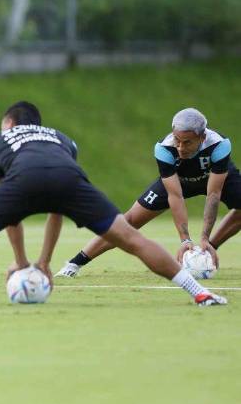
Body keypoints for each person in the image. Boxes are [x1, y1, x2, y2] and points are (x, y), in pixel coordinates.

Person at [0, 101, 227, 308]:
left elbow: (11, 216)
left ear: (8, 123)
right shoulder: (62, 138)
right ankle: (200, 293)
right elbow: (57, 208)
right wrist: (44, 263)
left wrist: (23, 262)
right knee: (131, 239)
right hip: (68, 179)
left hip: (23, 178)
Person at [57, 108, 239, 278]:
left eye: (187, 142)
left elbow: (213, 193)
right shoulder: (164, 149)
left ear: (202, 137)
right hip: (179, 181)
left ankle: (206, 250)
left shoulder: (219, 144)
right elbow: (175, 196)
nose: (181, 147)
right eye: (177, 140)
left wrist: (204, 238)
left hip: (213, 178)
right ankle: (74, 264)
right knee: (127, 222)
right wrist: (185, 240)